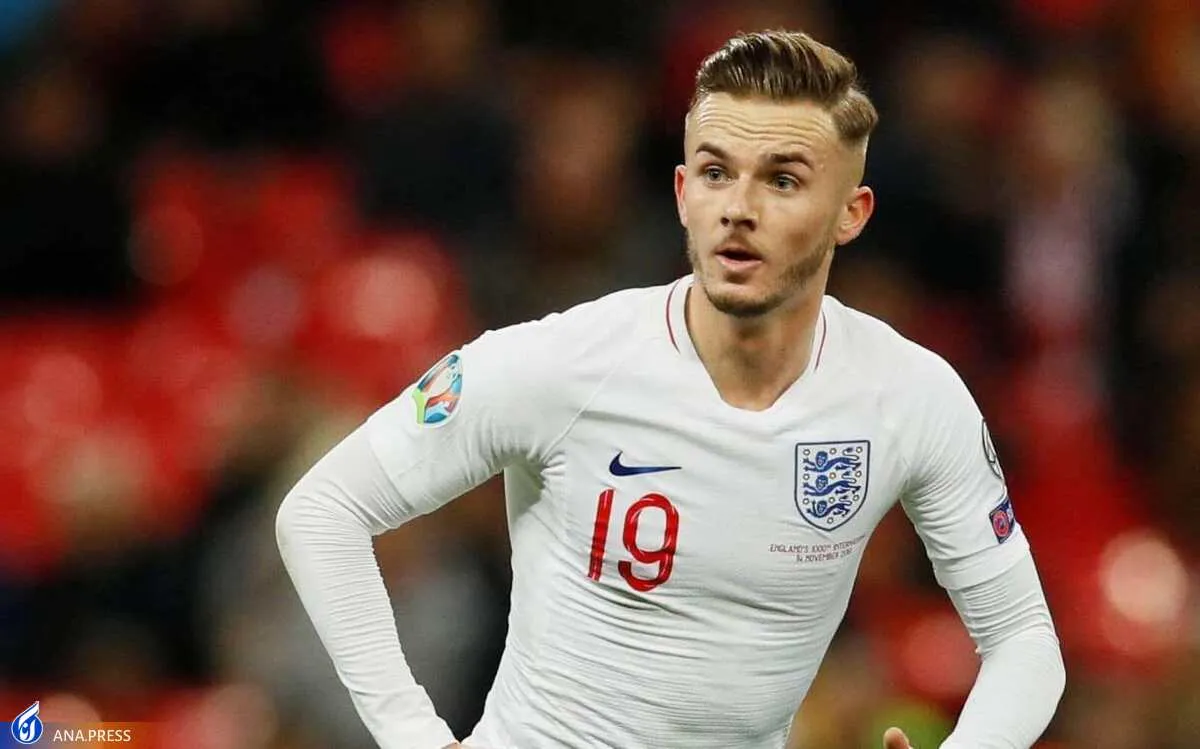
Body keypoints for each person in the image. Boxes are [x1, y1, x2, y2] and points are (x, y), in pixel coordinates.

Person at [276, 30, 1066, 749]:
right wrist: (411, 732)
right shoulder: (563, 363)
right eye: (717, 173)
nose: (739, 210)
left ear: (849, 214)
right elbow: (321, 511)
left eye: (783, 180)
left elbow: (1025, 639)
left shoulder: (911, 396)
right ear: (685, 192)